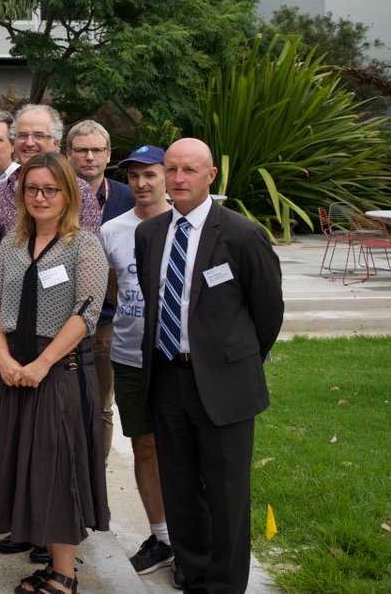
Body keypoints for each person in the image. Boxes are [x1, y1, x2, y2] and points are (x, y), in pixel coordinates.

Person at [136, 138, 283, 594]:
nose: (179, 179)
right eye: (172, 170)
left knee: (227, 496)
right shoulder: (150, 233)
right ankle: (192, 573)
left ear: (211, 176)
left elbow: (267, 314)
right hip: (167, 380)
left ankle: (224, 585)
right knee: (180, 490)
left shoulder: (242, 234)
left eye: (190, 171)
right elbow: (154, 297)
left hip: (223, 385)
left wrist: (233, 362)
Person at [0, 152, 110, 594]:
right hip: (14, 368)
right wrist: (4, 358)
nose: (40, 197)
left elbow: (86, 311)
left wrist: (41, 363)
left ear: (68, 194)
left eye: (50, 189)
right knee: (25, 464)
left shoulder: (84, 244)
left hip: (57, 370)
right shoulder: (12, 243)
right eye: (32, 189)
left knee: (58, 469)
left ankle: (65, 574)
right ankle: (50, 563)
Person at [98, 145, 176, 577]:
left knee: (181, 448)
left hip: (175, 357)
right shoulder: (113, 230)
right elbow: (115, 292)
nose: (142, 184)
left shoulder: (179, 225)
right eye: (134, 177)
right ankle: (162, 537)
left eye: (150, 175)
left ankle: (190, 540)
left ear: (166, 177)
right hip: (129, 356)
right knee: (144, 445)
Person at [66, 119, 135, 456]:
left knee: (101, 404)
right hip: (60, 318)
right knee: (63, 402)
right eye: (82, 150)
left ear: (108, 154)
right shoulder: (56, 194)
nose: (89, 157)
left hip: (106, 321)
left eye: (96, 150)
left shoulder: (127, 197)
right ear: (68, 154)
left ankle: (97, 476)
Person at [0, 104, 100, 240]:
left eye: (38, 136)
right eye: (22, 135)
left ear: (56, 144)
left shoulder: (81, 191)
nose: (29, 143)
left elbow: (91, 250)